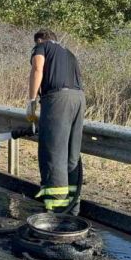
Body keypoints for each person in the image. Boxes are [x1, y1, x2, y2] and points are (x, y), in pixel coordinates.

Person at [27, 29, 85, 215]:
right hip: (79, 99)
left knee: (53, 153)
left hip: (57, 99)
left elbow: (37, 69)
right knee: (71, 155)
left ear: (41, 40)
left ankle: (56, 209)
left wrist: (31, 100)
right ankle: (73, 207)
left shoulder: (42, 47)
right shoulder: (69, 53)